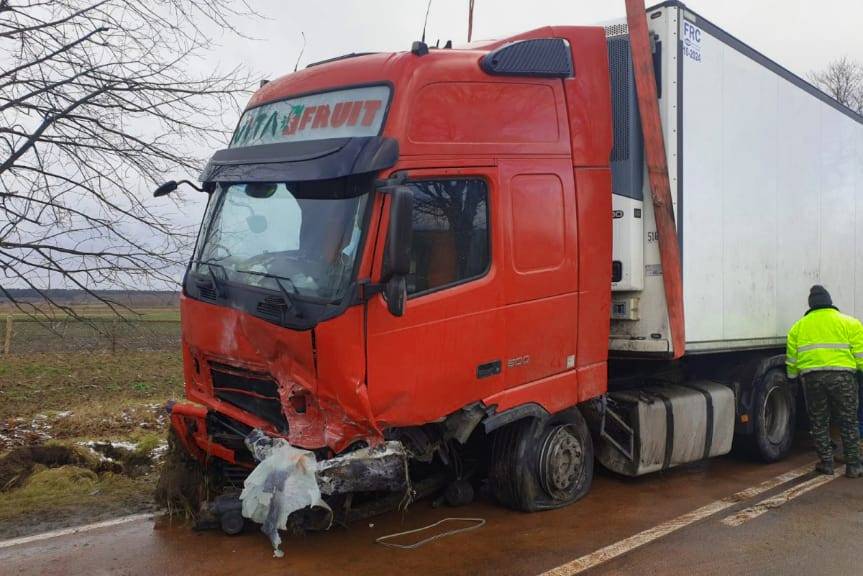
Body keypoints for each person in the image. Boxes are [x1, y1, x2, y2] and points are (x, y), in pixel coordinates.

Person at [786, 285, 863, 477]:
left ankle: (826, 463)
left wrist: (792, 378)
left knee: (819, 421)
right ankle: (853, 466)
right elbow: (860, 354)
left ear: (811, 305)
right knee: (848, 421)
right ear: (830, 301)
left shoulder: (798, 327)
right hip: (843, 378)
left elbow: (792, 360)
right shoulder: (850, 323)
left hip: (812, 379)